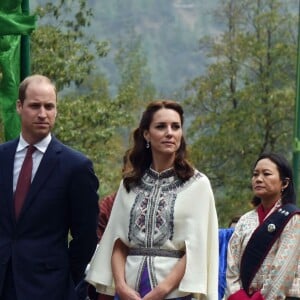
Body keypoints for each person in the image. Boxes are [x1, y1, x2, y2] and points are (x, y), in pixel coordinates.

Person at [86, 100, 219, 300]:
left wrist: (161, 291)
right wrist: (121, 287)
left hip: (174, 292)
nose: (169, 133)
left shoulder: (197, 185)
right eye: (160, 126)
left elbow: (196, 248)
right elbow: (118, 241)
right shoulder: (130, 184)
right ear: (147, 134)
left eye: (176, 127)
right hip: (130, 292)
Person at [0, 74, 99, 300]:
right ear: (19, 107)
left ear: (56, 110)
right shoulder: (2, 157)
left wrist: (65, 279)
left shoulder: (76, 166)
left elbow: (85, 236)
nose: (43, 114)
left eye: (49, 106)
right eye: (35, 106)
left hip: (49, 288)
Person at [225, 152, 300, 300]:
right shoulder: (245, 220)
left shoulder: (292, 219)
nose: (258, 179)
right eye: (255, 174)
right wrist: (238, 296)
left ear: (284, 183)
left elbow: (282, 271)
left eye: (266, 174)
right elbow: (232, 266)